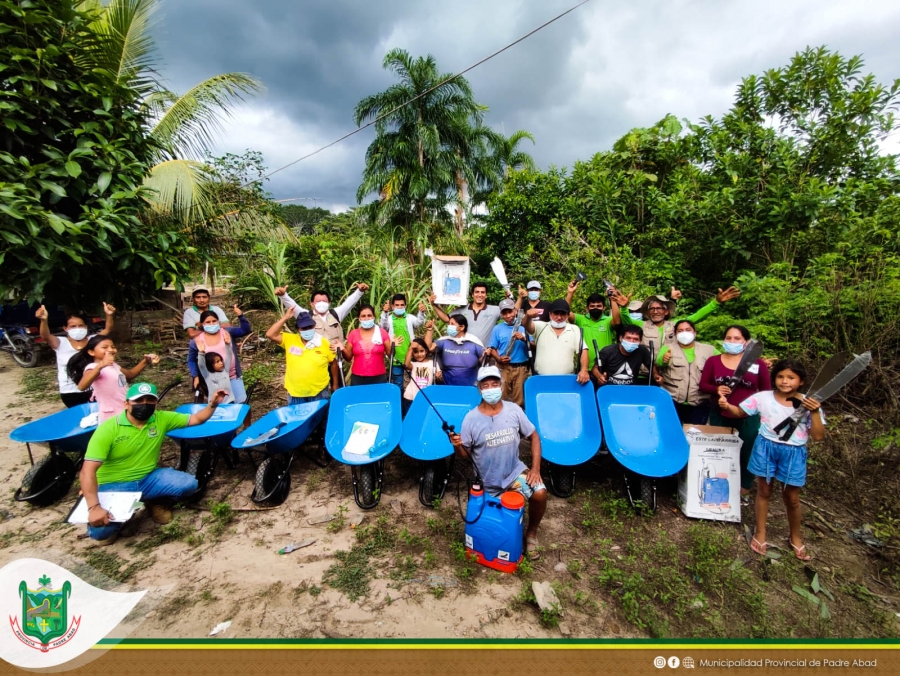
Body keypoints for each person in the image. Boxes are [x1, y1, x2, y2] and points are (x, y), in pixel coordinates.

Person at [80, 383, 230, 545]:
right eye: (139, 400)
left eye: (150, 400)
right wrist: (94, 507)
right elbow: (87, 471)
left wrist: (213, 403)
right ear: (126, 403)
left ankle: (151, 500)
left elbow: (197, 418)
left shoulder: (161, 419)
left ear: (156, 403)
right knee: (101, 533)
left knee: (189, 484)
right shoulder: (108, 429)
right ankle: (121, 518)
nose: (144, 404)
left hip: (148, 478)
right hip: (114, 485)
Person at [717, 359, 825, 561]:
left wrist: (815, 412)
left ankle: (795, 536)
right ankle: (760, 532)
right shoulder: (763, 397)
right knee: (764, 491)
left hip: (794, 452)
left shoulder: (808, 402)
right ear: (774, 378)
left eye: (791, 377)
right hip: (765, 447)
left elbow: (819, 436)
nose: (785, 381)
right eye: (780, 376)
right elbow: (741, 412)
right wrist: (727, 405)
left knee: (792, 498)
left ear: (801, 381)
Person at [449, 366, 547, 560]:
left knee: (540, 492)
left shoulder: (514, 410)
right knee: (486, 525)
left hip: (513, 474)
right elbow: (464, 455)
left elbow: (534, 436)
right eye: (486, 385)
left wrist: (535, 469)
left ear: (501, 386)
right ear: (479, 389)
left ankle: (531, 535)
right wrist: (456, 445)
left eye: (495, 384)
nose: (491, 388)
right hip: (486, 482)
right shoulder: (471, 418)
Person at [699, 325, 772, 503]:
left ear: (745, 342)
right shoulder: (713, 361)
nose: (732, 342)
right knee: (720, 451)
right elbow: (703, 385)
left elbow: (766, 390)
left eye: (737, 338)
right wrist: (716, 389)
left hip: (748, 416)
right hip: (720, 413)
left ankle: (744, 488)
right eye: (729, 338)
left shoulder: (758, 364)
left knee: (747, 450)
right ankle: (719, 485)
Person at [36, 302, 116, 408]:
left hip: (94, 388)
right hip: (70, 391)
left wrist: (109, 315)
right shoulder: (60, 343)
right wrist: (43, 320)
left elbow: (108, 329)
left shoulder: (93, 341)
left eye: (81, 325)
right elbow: (45, 336)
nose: (77, 328)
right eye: (73, 326)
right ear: (65, 328)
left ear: (86, 327)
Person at [67, 336, 158, 423]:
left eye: (113, 347)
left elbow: (130, 375)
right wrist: (101, 365)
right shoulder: (93, 367)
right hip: (111, 415)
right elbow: (82, 386)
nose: (110, 349)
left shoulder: (114, 366)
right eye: (105, 347)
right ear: (91, 352)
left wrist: (145, 361)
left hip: (124, 410)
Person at [623, 285, 741, 349]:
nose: (655, 311)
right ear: (648, 313)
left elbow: (696, 317)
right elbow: (625, 318)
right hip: (644, 372)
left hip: (669, 373)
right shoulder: (641, 325)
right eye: (652, 309)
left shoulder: (675, 325)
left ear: (666, 311)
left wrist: (716, 302)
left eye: (659, 308)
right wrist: (623, 307)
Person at [266, 310, 337, 404]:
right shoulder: (289, 339)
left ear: (314, 326)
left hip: (319, 391)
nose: (307, 330)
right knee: (298, 418)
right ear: (298, 329)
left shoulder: (323, 343)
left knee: (320, 417)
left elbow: (333, 362)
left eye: (310, 327)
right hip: (296, 392)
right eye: (304, 328)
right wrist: (285, 318)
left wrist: (335, 384)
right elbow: (270, 334)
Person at [656, 319, 718, 424]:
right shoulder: (668, 348)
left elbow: (723, 362)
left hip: (699, 403)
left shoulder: (709, 350)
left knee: (694, 435)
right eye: (680, 331)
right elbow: (658, 363)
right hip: (672, 402)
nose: (684, 333)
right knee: (672, 432)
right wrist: (664, 359)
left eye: (688, 330)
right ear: (675, 334)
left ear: (695, 332)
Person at [187, 305, 251, 403]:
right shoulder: (197, 340)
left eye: (214, 321)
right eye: (208, 322)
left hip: (233, 375)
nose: (212, 324)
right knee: (219, 405)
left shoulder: (227, 332)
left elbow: (245, 330)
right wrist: (195, 376)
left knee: (240, 404)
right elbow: (191, 360)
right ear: (202, 324)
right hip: (213, 380)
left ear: (219, 322)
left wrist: (241, 316)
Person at [564, 281, 628, 376]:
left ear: (604, 308)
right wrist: (570, 293)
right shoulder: (581, 319)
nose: (595, 308)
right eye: (592, 306)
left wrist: (612, 299)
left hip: (606, 367)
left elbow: (617, 321)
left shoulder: (608, 320)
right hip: (584, 368)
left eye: (599, 306)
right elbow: (565, 312)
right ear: (587, 308)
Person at [522, 299, 590, 383]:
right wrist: (528, 316)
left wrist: (584, 370)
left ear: (568, 315)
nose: (559, 317)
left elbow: (583, 350)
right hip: (541, 379)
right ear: (550, 314)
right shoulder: (541, 326)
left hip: (567, 380)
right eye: (556, 313)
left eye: (563, 314)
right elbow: (526, 324)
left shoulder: (574, 329)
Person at [275, 283, 370, 342]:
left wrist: (360, 291)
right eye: (318, 301)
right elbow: (293, 306)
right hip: (315, 360)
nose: (321, 303)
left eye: (324, 301)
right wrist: (283, 295)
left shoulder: (336, 314)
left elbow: (349, 303)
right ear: (312, 304)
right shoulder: (306, 315)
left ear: (329, 303)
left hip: (335, 359)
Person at [430, 282, 509, 347]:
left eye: (482, 292)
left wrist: (515, 298)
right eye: (477, 292)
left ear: (486, 295)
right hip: (466, 352)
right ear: (472, 295)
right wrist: (434, 305)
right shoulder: (462, 309)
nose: (480, 295)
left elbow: (511, 313)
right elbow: (446, 319)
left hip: (485, 352)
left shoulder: (495, 310)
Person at [486, 299, 530, 406]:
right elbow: (492, 348)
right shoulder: (497, 328)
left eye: (510, 312)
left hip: (521, 368)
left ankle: (518, 421)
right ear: (501, 314)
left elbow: (534, 345)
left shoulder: (524, 326)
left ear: (515, 311)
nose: (508, 315)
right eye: (504, 313)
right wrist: (498, 358)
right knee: (502, 397)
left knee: (520, 400)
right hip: (503, 368)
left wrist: (523, 338)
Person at [380, 294, 427, 389]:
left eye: (402, 305)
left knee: (414, 383)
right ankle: (400, 403)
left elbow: (419, 323)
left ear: (405, 305)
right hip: (395, 359)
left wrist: (421, 313)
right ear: (392, 306)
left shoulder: (409, 317)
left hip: (411, 358)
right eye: (397, 305)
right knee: (398, 385)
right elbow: (383, 327)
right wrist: (384, 313)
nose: (400, 307)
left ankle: (410, 402)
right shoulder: (388, 319)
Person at [426, 314, 484, 387]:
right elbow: (429, 348)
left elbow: (484, 361)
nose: (449, 326)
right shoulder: (444, 341)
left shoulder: (474, 342)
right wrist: (429, 330)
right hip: (448, 387)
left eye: (452, 324)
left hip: (470, 388)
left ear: (462, 327)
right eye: (449, 324)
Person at [341, 304, 392, 386]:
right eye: (363, 316)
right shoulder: (353, 334)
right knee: (359, 399)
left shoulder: (382, 333)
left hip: (379, 377)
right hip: (358, 378)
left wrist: (393, 346)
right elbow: (348, 357)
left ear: (374, 317)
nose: (366, 318)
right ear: (359, 318)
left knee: (378, 399)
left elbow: (390, 355)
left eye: (369, 315)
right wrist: (342, 349)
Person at [594, 324, 658, 386]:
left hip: (630, 388)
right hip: (610, 387)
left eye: (635, 339)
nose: (631, 341)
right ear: (621, 338)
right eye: (628, 338)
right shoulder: (608, 351)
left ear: (640, 341)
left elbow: (651, 366)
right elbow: (594, 369)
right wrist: (600, 377)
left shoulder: (642, 351)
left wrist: (656, 375)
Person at [403, 324, 439, 414]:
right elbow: (406, 364)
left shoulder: (432, 363)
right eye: (415, 352)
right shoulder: (414, 364)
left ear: (426, 351)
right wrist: (411, 348)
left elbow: (439, 374)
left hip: (426, 397)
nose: (419, 354)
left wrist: (439, 375)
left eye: (421, 351)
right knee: (409, 417)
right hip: (410, 397)